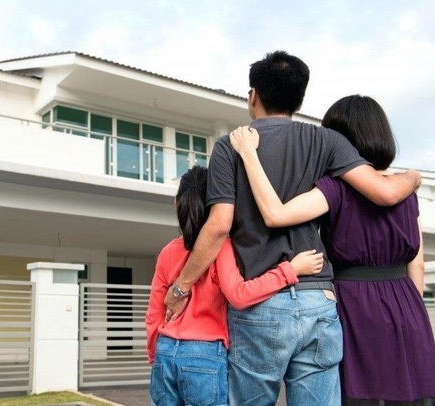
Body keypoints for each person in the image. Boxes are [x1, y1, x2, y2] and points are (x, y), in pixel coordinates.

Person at [163, 51, 422, 406]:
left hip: (260, 305)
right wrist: (413, 176)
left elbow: (220, 225)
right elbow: (384, 192)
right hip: (318, 299)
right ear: (300, 101)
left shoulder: (230, 146)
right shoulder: (328, 141)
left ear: (253, 95)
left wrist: (180, 287)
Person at [229, 95, 435, 405]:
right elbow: (415, 263)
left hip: (353, 303)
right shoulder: (407, 190)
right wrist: (409, 310)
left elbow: (276, 214)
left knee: (354, 395)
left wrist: (249, 156)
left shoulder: (335, 188)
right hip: (406, 304)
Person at [145, 165, 324, 406]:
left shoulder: (169, 251)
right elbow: (239, 295)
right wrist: (290, 270)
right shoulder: (222, 247)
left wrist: (155, 355)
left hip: (165, 351)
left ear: (176, 203)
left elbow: (154, 312)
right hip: (204, 355)